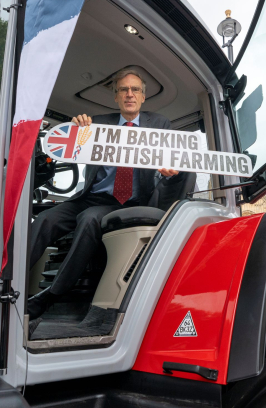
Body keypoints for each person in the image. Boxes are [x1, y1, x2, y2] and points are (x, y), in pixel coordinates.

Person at [26, 69, 179, 318]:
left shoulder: (159, 124)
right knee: (45, 219)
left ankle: (52, 295)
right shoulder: (97, 122)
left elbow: (167, 159)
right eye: (123, 90)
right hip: (91, 196)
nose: (130, 94)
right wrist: (74, 130)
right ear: (116, 97)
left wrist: (169, 170)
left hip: (128, 201)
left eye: (135, 90)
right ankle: (6, 280)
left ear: (143, 97)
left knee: (90, 219)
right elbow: (70, 147)